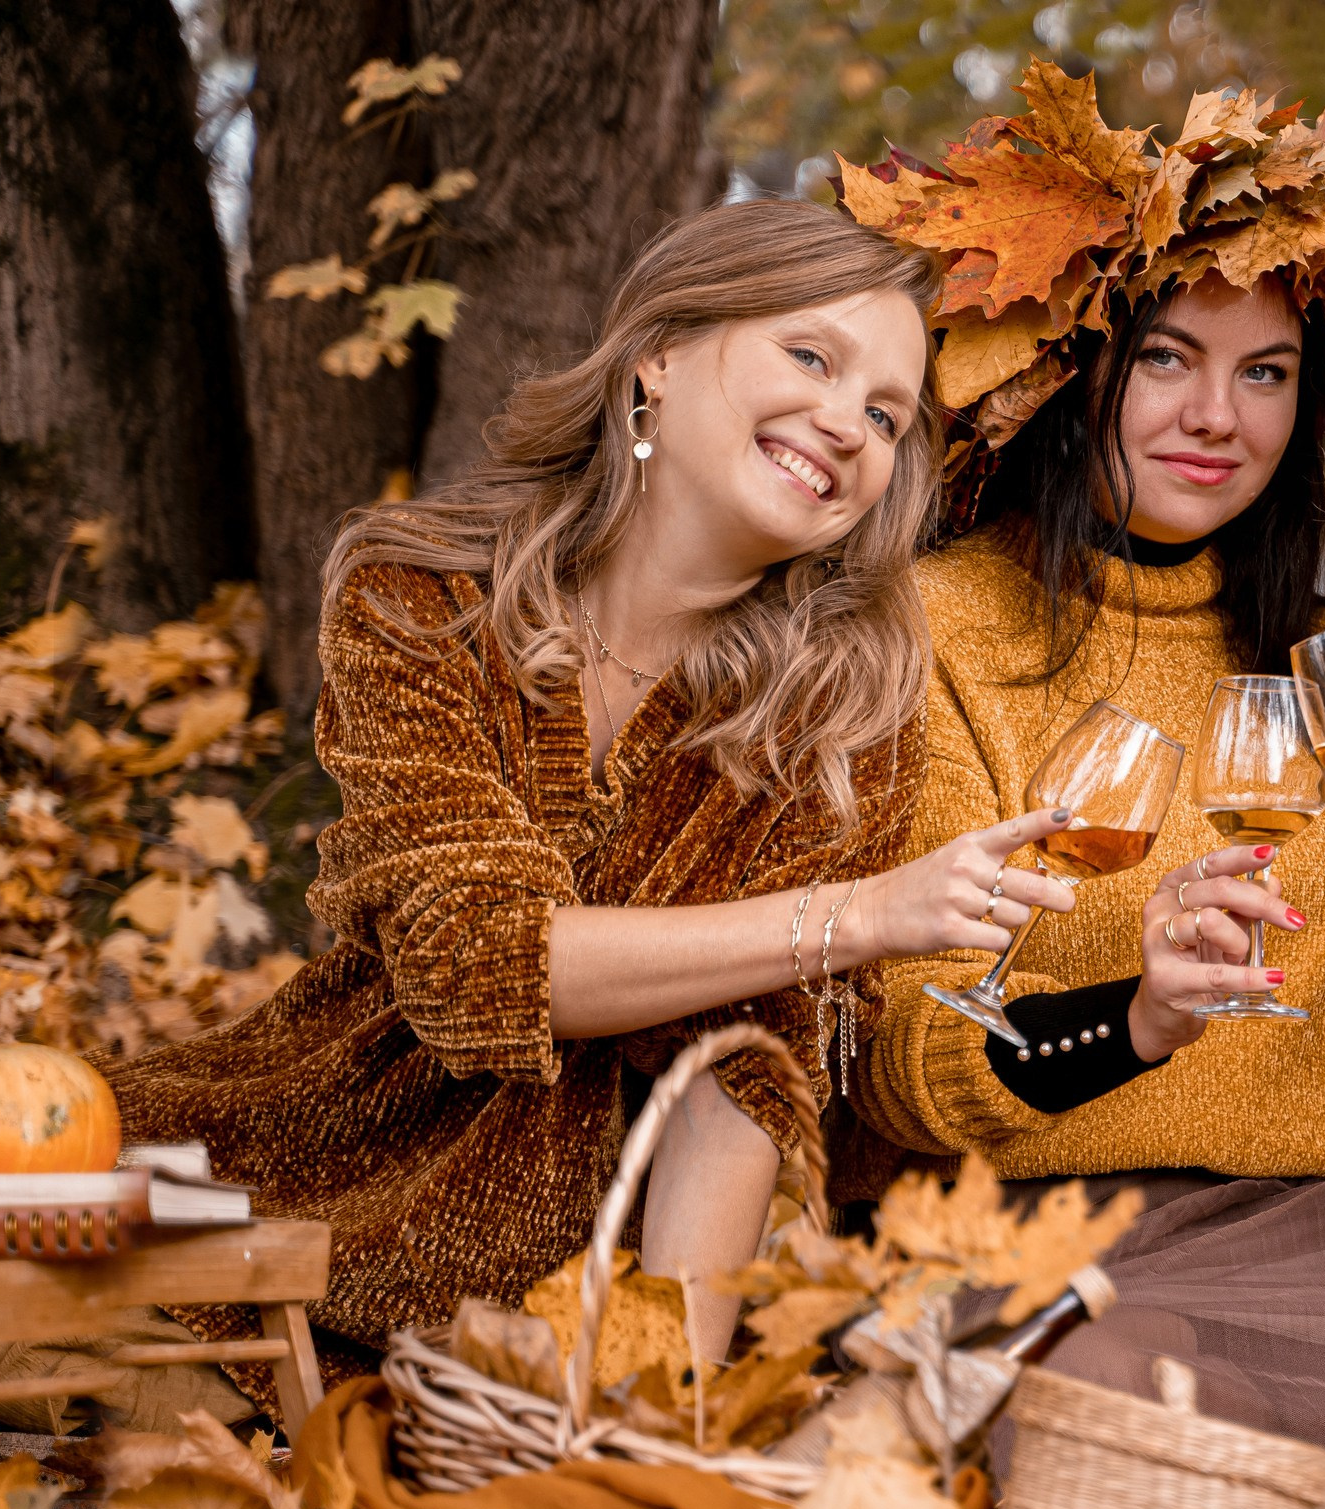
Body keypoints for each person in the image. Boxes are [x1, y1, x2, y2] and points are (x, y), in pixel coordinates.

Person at [97, 200, 1079, 1421]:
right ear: (658, 357)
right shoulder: (426, 593)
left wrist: (656, 1398)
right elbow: (474, 963)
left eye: (887, 416)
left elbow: (743, 1075)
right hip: (291, 1184)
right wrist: (852, 917)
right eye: (810, 357)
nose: (846, 423)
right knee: (75, 1363)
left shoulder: (846, 708)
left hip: (567, 1307)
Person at [834, 70, 1325, 1454]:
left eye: (1265, 374)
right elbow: (900, 1056)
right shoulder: (931, 629)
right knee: (1134, 1419)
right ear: (1076, 376)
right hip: (1032, 1239)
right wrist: (1135, 1015)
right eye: (1167, 359)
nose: (1219, 417)